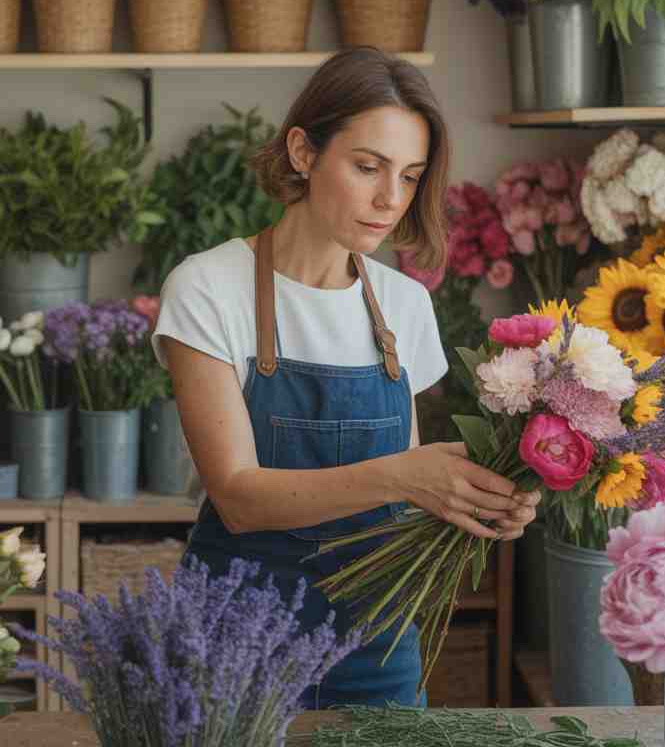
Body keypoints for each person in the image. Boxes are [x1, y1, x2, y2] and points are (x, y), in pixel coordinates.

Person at [150, 47, 541, 709]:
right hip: (236, 631)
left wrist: (477, 503)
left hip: (376, 636)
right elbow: (240, 497)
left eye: (411, 177)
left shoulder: (404, 305)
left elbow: (411, 493)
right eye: (368, 167)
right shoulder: (209, 288)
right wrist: (407, 474)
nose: (390, 199)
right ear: (303, 153)